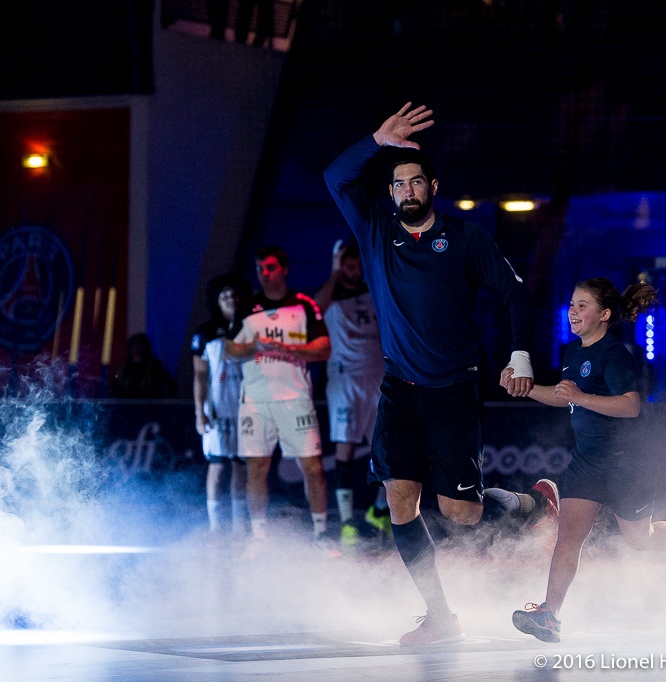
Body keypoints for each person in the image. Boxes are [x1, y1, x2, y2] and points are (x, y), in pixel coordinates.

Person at [325, 103, 534, 645]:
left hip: (454, 389)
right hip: (399, 388)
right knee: (400, 500)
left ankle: (524, 505)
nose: (408, 191)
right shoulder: (374, 231)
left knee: (461, 513)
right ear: (391, 192)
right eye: (399, 184)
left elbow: (515, 294)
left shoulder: (466, 239)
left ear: (432, 186)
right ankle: (440, 615)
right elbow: (334, 176)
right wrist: (376, 139)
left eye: (417, 181)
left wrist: (520, 355)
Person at [500, 278, 666, 644]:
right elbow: (565, 396)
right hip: (587, 463)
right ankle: (550, 615)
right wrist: (526, 388)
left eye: (582, 305)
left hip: (626, 466)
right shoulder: (572, 353)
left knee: (640, 540)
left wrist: (582, 398)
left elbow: (631, 405)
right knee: (569, 539)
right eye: (571, 304)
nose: (573, 311)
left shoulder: (615, 355)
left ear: (604, 315)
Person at [225, 246, 332, 544]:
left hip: (295, 399)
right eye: (260, 269)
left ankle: (321, 533)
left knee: (312, 467)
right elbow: (230, 351)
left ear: (284, 269)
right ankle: (258, 538)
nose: (265, 274)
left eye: (271, 268)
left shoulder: (304, 305)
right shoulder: (246, 307)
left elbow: (324, 347)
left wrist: (292, 349)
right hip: (255, 403)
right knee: (256, 467)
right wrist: (253, 348)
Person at [312, 239, 389, 548]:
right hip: (345, 382)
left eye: (357, 265)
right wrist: (334, 271)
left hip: (378, 380)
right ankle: (346, 522)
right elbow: (315, 308)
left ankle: (380, 509)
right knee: (343, 450)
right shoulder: (329, 295)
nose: (353, 271)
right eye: (347, 265)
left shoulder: (373, 291)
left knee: (387, 450)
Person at [192, 272, 251, 534]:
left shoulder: (250, 326)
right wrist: (199, 413)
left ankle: (239, 527)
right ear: (217, 300)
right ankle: (216, 528)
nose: (230, 299)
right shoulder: (205, 333)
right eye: (224, 296)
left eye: (234, 295)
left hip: (246, 407)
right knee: (216, 465)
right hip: (216, 408)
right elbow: (200, 375)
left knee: (241, 465)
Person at [112, 333, 177, 399]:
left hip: (150, 406)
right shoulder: (123, 370)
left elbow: (169, 387)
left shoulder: (156, 367)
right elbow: (117, 389)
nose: (137, 348)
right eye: (134, 344)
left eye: (140, 344)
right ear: (130, 348)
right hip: (127, 406)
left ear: (146, 347)